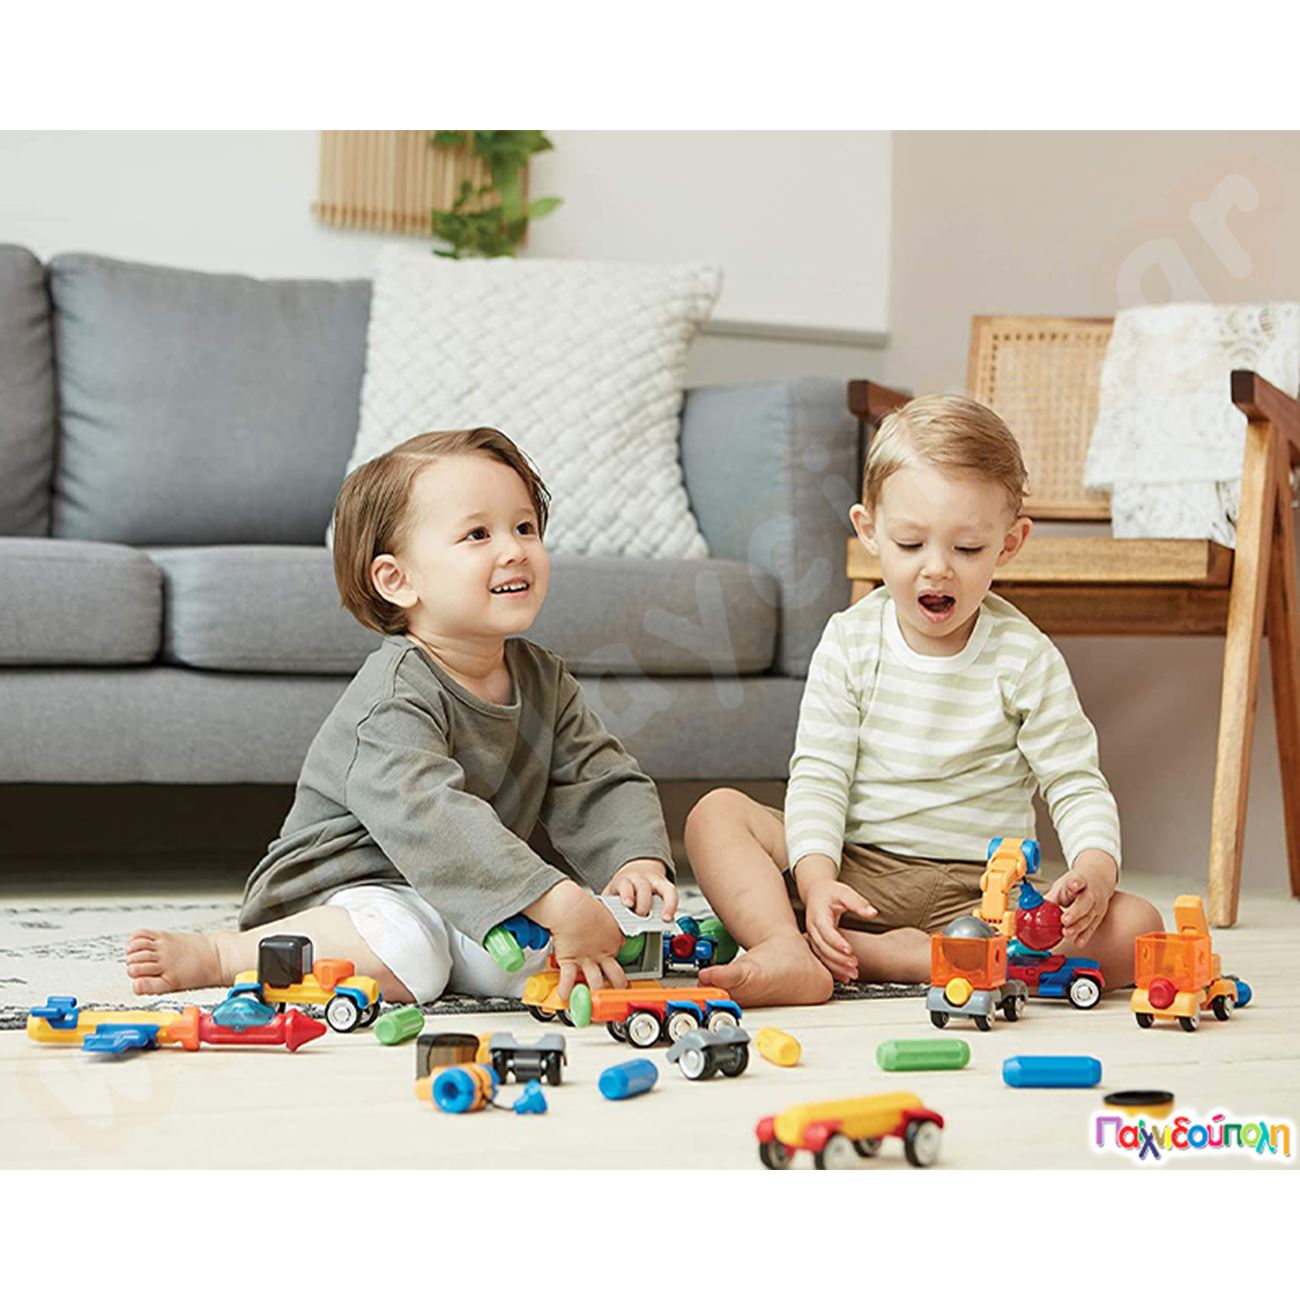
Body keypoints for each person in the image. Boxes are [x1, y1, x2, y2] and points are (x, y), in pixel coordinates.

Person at [126, 427, 677, 1005]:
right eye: (478, 534)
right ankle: (225, 954)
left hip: (459, 883)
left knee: (538, 962)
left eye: (524, 528)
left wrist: (633, 859)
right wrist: (553, 897)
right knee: (413, 957)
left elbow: (596, 776)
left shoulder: (544, 678)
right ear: (398, 580)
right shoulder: (390, 699)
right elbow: (432, 818)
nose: (514, 549)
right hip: (350, 886)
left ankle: (469, 938)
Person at [686, 394, 1161, 1007]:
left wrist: (1094, 867)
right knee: (716, 816)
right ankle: (788, 945)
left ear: (1009, 544)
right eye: (910, 544)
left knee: (1139, 926)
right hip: (857, 875)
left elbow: (1074, 781)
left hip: (980, 894)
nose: (937, 569)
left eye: (967, 550)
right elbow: (820, 775)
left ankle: (892, 956)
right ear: (869, 531)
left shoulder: (1025, 656)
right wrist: (817, 877)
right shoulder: (850, 640)